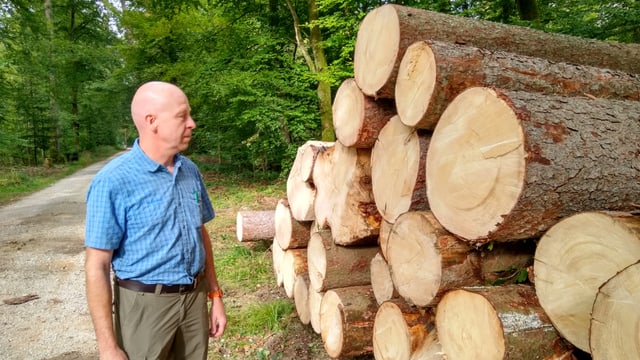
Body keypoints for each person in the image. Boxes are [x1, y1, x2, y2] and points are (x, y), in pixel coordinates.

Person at [84, 81, 227, 360]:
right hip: (144, 308)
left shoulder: (190, 171)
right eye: (182, 116)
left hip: (194, 302)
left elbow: (200, 234)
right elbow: (97, 265)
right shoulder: (113, 181)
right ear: (152, 122)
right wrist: (108, 347)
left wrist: (214, 295)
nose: (192, 123)